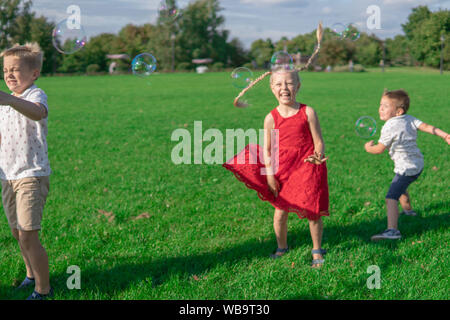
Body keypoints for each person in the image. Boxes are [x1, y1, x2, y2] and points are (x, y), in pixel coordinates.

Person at [223, 23, 329, 268]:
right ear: (271, 88)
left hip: (306, 166)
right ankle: (282, 247)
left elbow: (319, 141)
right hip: (281, 169)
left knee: (312, 210)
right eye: (279, 85)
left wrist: (318, 155)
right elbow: (268, 151)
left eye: (290, 83)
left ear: (298, 85)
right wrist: (270, 176)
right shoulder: (271, 118)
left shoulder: (308, 112)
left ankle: (317, 250)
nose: (285, 88)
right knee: (280, 211)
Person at [0, 43, 53, 299]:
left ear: (33, 73)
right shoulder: (4, 104)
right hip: (7, 175)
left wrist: (10, 99)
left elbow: (37, 113)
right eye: (6, 70)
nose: (9, 75)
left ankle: (43, 290)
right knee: (16, 232)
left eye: (16, 70)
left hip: (31, 174)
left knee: (28, 234)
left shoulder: (35, 94)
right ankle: (30, 274)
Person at [365, 89, 450, 241]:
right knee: (401, 184)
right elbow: (426, 127)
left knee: (391, 197)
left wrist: (368, 148)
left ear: (398, 111)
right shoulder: (409, 118)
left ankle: (393, 231)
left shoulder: (389, 126)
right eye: (380, 105)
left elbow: (379, 149)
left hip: (406, 167)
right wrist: (445, 135)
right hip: (417, 164)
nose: (380, 109)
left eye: (385, 106)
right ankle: (408, 211)